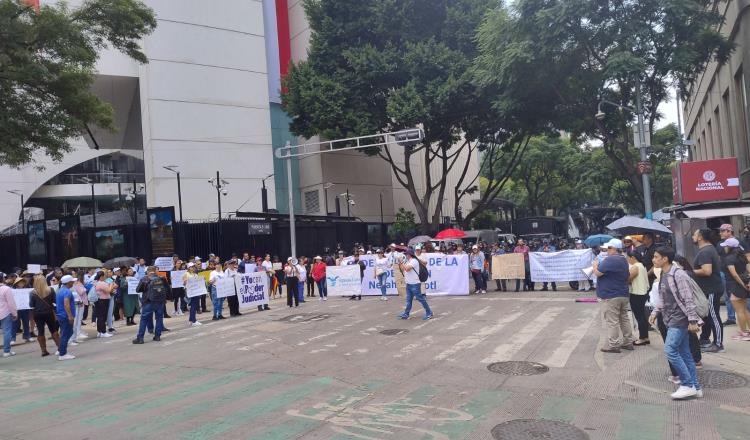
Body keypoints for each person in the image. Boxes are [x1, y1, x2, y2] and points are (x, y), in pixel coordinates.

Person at [649, 247, 702, 400]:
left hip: (679, 319)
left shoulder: (678, 274)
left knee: (670, 350)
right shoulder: (664, 274)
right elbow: (663, 299)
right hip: (670, 318)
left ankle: (687, 384)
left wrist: (692, 320)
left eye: (656, 256)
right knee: (685, 354)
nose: (653, 259)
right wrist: (654, 312)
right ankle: (695, 387)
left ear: (665, 259)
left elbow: (688, 298)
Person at [593, 239, 635, 353]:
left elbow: (598, 273)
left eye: (609, 248)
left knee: (612, 321)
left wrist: (594, 265)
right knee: (624, 318)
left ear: (614, 249)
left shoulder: (611, 259)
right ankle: (628, 342)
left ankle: (614, 345)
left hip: (611, 294)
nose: (607, 250)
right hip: (623, 293)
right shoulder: (623, 259)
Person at [691, 229, 724, 353]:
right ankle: (705, 339)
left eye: (694, 234)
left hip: (711, 289)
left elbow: (707, 271)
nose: (693, 236)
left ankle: (718, 343)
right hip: (707, 289)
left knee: (713, 315)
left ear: (700, 237)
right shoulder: (707, 250)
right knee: (707, 315)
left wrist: (691, 272)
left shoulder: (706, 251)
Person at [717, 224, 750, 326]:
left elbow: (748, 258)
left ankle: (745, 329)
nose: (720, 233)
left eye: (723, 231)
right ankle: (731, 318)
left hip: (739, 274)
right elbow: (719, 257)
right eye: (720, 231)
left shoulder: (740, 242)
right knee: (728, 297)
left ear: (729, 231)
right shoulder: (720, 244)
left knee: (743, 302)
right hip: (725, 274)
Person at [720, 238, 750, 341]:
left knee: (739, 310)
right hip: (744, 284)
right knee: (745, 310)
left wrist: (742, 285)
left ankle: (744, 333)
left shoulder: (729, 259)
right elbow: (748, 269)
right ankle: (747, 332)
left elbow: (734, 274)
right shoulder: (742, 257)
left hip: (735, 286)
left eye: (725, 246)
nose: (724, 248)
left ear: (729, 247)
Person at [133, 266, 167, 344]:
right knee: (159, 318)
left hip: (149, 302)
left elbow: (138, 290)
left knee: (144, 319)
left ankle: (140, 338)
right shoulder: (162, 278)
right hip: (160, 302)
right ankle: (157, 336)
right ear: (155, 271)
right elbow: (166, 288)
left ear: (148, 271)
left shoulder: (145, 279)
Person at [29, 274, 60, 357]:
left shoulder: (32, 293)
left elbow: (31, 304)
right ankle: (60, 347)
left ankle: (43, 350)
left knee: (40, 331)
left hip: (37, 313)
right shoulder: (51, 290)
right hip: (49, 312)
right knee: (53, 329)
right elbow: (55, 301)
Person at [398, 250, 433, 320]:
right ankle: (406, 313)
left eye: (406, 254)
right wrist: (400, 263)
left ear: (409, 255)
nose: (405, 256)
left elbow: (407, 269)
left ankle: (429, 312)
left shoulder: (414, 261)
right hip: (409, 284)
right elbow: (402, 269)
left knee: (421, 299)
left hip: (415, 284)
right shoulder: (408, 261)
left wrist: (402, 262)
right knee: (408, 300)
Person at [627, 250, 650, 345]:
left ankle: (643, 338)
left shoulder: (635, 267)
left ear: (633, 258)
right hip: (643, 292)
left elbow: (628, 279)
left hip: (637, 293)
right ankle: (645, 337)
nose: (628, 260)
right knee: (642, 316)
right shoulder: (641, 265)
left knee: (639, 316)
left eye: (628, 258)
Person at [55, 275, 77, 361]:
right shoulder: (67, 291)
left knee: (67, 332)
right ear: (69, 282)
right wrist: (70, 316)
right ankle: (62, 353)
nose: (73, 282)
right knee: (66, 334)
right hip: (65, 316)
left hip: (61, 315)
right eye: (72, 281)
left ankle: (61, 349)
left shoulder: (60, 290)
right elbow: (66, 304)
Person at [10, 277, 34, 345]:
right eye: (20, 282)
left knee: (26, 323)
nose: (21, 283)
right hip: (16, 309)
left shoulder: (27, 290)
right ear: (16, 284)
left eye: (22, 282)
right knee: (14, 324)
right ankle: (12, 338)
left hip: (25, 309)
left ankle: (27, 336)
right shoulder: (13, 291)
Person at [1, 273, 18, 357]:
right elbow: (11, 303)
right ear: (3, 279)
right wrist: (14, 313)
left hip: (4, 312)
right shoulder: (6, 289)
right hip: (5, 313)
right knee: (7, 332)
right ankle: (6, 351)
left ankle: (7, 350)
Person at [93, 271, 114, 338]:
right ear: (101, 276)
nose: (105, 276)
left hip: (98, 300)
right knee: (103, 316)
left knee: (99, 317)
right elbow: (109, 290)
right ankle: (103, 332)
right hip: (103, 300)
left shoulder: (96, 282)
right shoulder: (101, 283)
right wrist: (111, 285)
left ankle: (99, 332)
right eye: (104, 275)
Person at [183, 263, 202, 327]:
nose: (193, 268)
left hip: (196, 292)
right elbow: (184, 283)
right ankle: (194, 321)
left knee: (194, 306)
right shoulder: (186, 274)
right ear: (188, 268)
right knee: (193, 306)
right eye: (191, 267)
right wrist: (186, 281)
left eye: (194, 267)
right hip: (190, 292)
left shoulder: (195, 274)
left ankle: (191, 320)